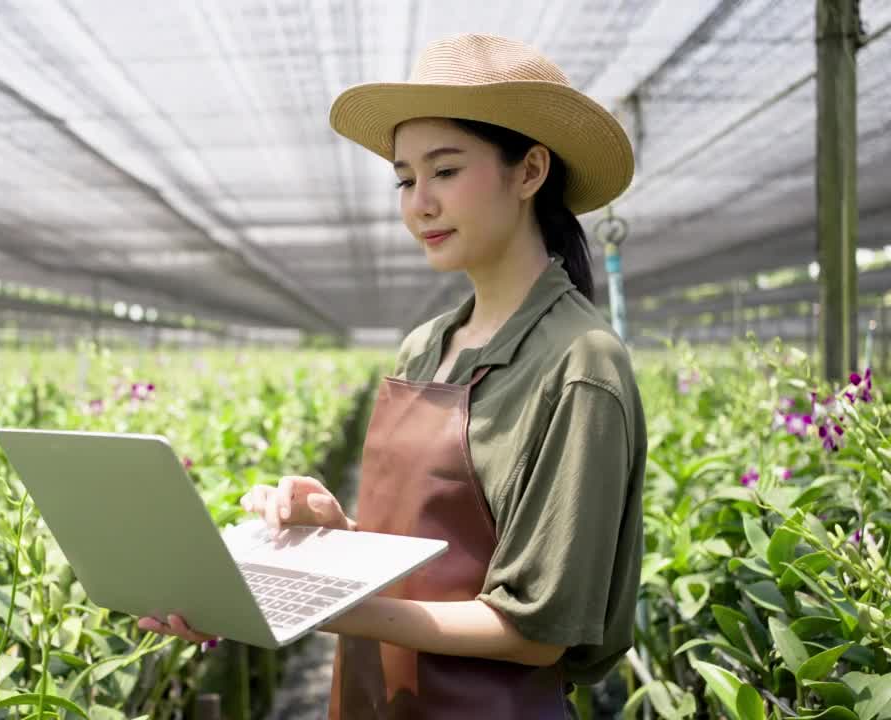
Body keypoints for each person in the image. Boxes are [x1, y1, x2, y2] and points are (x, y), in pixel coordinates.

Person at [138, 33, 647, 719]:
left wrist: (316, 607)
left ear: (529, 172)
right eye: (406, 179)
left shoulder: (579, 364)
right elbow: (425, 565)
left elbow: (536, 632)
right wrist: (328, 535)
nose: (419, 204)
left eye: (444, 171)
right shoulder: (425, 347)